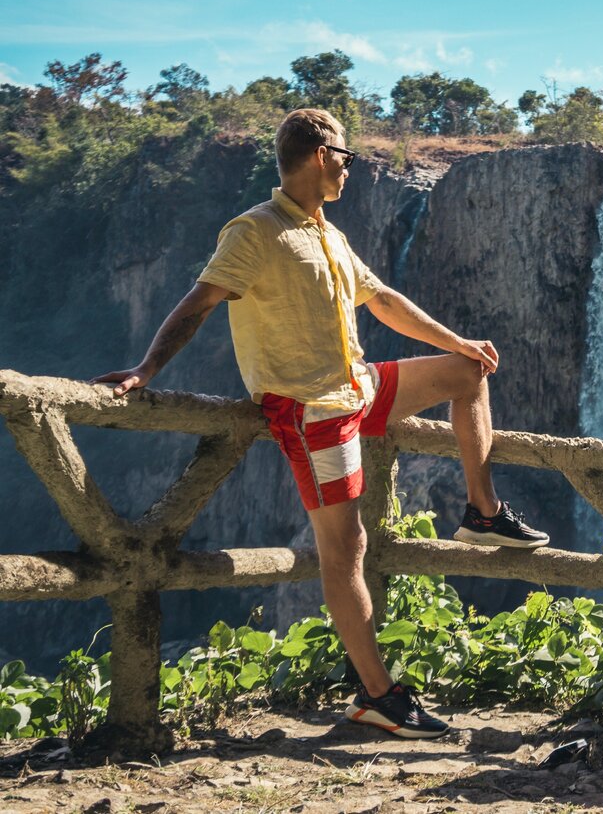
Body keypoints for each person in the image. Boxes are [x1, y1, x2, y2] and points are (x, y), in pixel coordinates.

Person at [94, 107, 548, 739]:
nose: (350, 169)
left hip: (357, 384)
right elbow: (197, 304)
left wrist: (460, 342)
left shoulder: (328, 234)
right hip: (313, 413)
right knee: (347, 549)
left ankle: (482, 511)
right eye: (346, 157)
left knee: (465, 376)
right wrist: (146, 368)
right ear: (319, 154)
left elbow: (384, 300)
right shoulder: (253, 231)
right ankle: (378, 695)